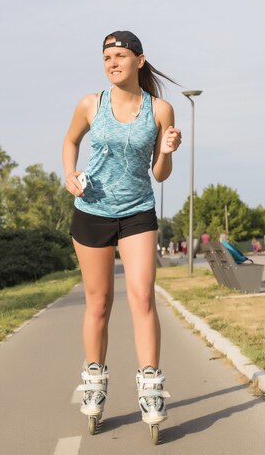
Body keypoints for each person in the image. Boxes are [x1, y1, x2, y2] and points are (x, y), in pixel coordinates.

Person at [62, 30, 181, 435]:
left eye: (120, 55)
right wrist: (68, 175)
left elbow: (160, 174)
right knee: (98, 303)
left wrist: (166, 149)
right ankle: (94, 381)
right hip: (91, 210)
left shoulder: (161, 109)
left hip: (136, 212)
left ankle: (150, 385)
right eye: (107, 57)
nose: (112, 63)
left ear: (139, 61)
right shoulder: (90, 104)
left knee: (142, 295)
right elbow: (70, 140)